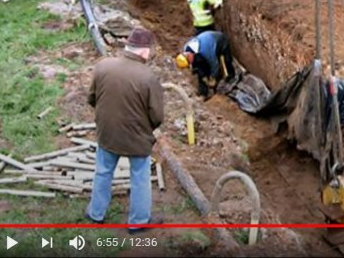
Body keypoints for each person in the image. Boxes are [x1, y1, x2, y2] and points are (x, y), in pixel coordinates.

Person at [86, 27, 164, 232]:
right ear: (145, 51)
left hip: (107, 133)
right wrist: (147, 128)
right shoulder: (149, 77)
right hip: (136, 138)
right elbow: (157, 116)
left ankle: (95, 213)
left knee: (103, 172)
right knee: (140, 178)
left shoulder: (103, 66)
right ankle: (138, 222)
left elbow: (92, 98)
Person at [175, 30, 236, 99]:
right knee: (199, 66)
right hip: (206, 42)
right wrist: (203, 77)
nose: (190, 65)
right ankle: (203, 92)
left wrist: (213, 78)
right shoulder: (186, 49)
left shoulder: (205, 51)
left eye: (189, 63)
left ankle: (230, 77)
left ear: (188, 56)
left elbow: (215, 65)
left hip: (220, 41)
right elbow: (196, 65)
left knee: (227, 61)